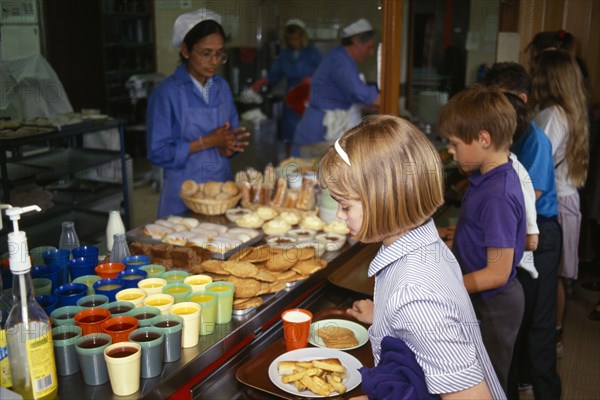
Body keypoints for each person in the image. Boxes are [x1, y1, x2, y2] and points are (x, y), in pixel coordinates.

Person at [319, 115, 504, 399]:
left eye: (345, 206)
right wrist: (382, 316)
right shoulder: (424, 245)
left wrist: (404, 310)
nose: (339, 216)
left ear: (383, 198)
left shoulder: (415, 297)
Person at [437, 86, 526, 393]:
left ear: (483, 139)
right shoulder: (484, 177)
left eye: (454, 144)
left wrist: (446, 288)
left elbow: (497, 272)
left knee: (485, 385)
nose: (451, 151)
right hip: (483, 298)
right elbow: (480, 233)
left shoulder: (497, 194)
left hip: (495, 306)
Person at [482, 62, 562, 400]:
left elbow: (528, 201)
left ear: (521, 99)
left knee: (538, 327)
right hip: (516, 232)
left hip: (539, 234)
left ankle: (546, 392)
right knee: (515, 327)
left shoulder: (535, 140)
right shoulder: (508, 132)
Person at [147, 8, 250, 218]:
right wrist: (207, 142)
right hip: (183, 192)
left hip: (222, 192)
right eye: (205, 53)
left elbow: (231, 135)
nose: (214, 61)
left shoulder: (221, 87)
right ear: (186, 50)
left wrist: (230, 146)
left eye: (219, 53)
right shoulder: (167, 93)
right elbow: (157, 152)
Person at [530, 49, 589, 356]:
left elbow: (541, 163)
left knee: (553, 279)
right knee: (558, 279)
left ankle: (552, 339)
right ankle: (555, 336)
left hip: (557, 203)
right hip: (569, 199)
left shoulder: (553, 115)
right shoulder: (567, 112)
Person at [294, 18, 380, 159]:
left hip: (319, 129)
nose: (371, 53)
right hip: (317, 133)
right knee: (306, 176)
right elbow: (359, 91)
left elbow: (348, 94)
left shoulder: (342, 57)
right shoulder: (340, 61)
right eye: (370, 47)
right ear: (357, 42)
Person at [251, 19, 322, 156]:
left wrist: (313, 79)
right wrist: (262, 81)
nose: (293, 42)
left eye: (296, 38)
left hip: (310, 98)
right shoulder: (284, 55)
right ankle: (290, 166)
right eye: (290, 39)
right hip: (291, 99)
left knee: (311, 136)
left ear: (302, 37)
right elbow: (274, 74)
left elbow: (325, 73)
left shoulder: (313, 52)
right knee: (290, 137)